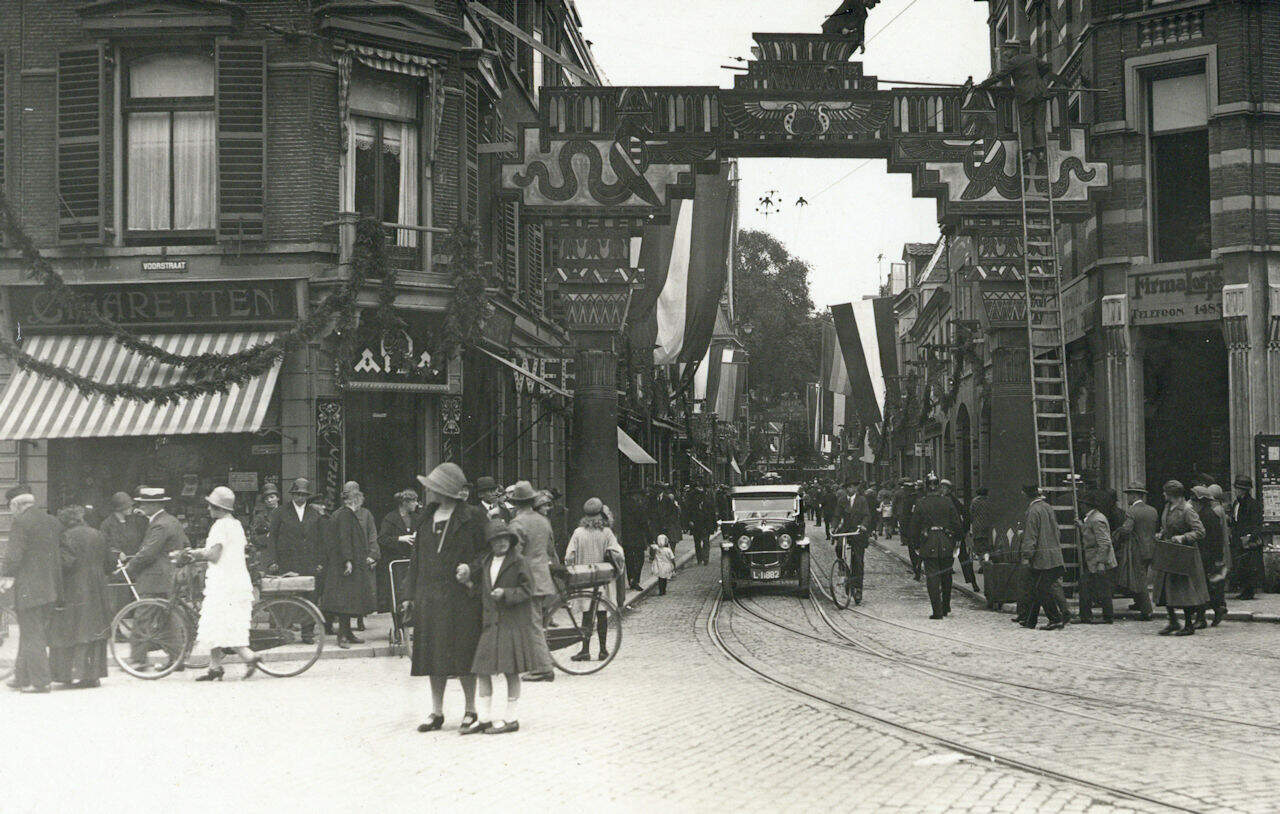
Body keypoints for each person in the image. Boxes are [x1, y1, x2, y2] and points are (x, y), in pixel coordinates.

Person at [402, 463, 488, 733]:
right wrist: (409, 595)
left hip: (461, 597)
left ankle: (470, 709)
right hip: (429, 596)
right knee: (432, 655)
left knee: (463, 653)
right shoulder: (427, 518)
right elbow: (416, 560)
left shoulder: (473, 517)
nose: (430, 492)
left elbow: (487, 552)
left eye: (435, 487)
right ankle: (436, 711)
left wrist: (471, 569)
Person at [456, 519, 549, 735]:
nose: (502, 543)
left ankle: (511, 718)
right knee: (482, 670)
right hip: (491, 624)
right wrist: (469, 585)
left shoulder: (519, 561)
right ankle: (485, 718)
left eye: (505, 538)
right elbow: (483, 590)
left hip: (511, 623)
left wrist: (506, 594)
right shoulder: (488, 561)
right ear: (490, 542)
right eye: (497, 539)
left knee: (511, 671)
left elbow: (528, 590)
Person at [184, 487, 260, 681]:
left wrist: (195, 554)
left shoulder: (219, 526)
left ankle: (249, 657)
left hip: (224, 583)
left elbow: (214, 555)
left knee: (221, 622)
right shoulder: (235, 524)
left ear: (218, 508)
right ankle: (215, 666)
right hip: (236, 580)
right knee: (217, 622)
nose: (208, 509)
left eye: (211, 506)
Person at [0, 486, 63, 693]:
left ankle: (41, 682)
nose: (11, 512)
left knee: (32, 634)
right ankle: (21, 676)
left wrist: (5, 576)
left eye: (10, 507)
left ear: (16, 505)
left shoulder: (21, 522)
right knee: (31, 632)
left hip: (30, 588)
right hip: (51, 587)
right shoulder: (52, 521)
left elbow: (13, 555)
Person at [47, 505, 112, 689]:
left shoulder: (66, 536)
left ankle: (70, 674)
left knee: (71, 630)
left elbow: (65, 563)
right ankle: (92, 675)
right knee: (93, 631)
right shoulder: (98, 534)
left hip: (74, 588)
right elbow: (110, 563)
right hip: (97, 589)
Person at [125, 487, 186, 670]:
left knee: (143, 617)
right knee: (166, 618)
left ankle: (138, 660)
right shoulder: (171, 521)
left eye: (144, 503)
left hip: (155, 579)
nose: (141, 506)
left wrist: (130, 567)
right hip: (168, 577)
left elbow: (148, 553)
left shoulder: (160, 524)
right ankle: (177, 658)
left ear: (154, 505)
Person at [505, 481, 557, 683]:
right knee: (534, 622)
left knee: (531, 624)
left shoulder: (517, 523)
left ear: (516, 502)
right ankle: (536, 662)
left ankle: (543, 668)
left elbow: (514, 554)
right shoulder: (543, 521)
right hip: (542, 576)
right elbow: (550, 548)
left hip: (526, 579)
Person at [564, 497, 625, 661]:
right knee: (602, 614)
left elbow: (569, 556)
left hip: (584, 578)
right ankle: (603, 650)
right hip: (602, 578)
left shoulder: (578, 532)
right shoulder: (606, 533)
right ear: (600, 514)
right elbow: (618, 554)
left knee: (587, 614)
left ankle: (585, 650)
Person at [267, 478, 324, 644]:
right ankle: (285, 632)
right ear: (292, 494)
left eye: (303, 495)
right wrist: (272, 561)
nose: (300, 497)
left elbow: (322, 540)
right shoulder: (280, 512)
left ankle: (308, 633)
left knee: (310, 597)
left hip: (309, 562)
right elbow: (272, 539)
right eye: (297, 494)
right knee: (288, 596)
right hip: (287, 562)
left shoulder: (315, 514)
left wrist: (320, 561)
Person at [321, 482, 378, 648]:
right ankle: (342, 637)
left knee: (348, 601)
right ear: (354, 500)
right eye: (359, 500)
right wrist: (348, 561)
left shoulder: (343, 514)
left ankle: (347, 633)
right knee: (345, 602)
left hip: (346, 564)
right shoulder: (346, 515)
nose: (360, 504)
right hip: (345, 566)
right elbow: (344, 539)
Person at [1153, 480, 1208, 636]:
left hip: (1184, 555)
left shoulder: (1187, 510)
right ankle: (1173, 621)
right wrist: (1161, 533)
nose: (1163, 494)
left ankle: (1189, 625)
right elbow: (1166, 526)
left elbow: (1200, 531)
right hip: (1169, 552)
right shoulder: (1167, 507)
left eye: (1166, 492)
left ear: (1172, 494)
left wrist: (1183, 537)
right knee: (1165, 588)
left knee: (1185, 592)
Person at [1020, 484, 1069, 631]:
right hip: (1053, 554)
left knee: (1041, 589)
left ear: (1025, 494)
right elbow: (1057, 531)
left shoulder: (1032, 511)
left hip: (1042, 558)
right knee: (1037, 588)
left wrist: (1026, 555)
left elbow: (1031, 535)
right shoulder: (1047, 507)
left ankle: (1055, 619)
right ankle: (1030, 620)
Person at [911, 479, 962, 619]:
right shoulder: (947, 501)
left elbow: (915, 526)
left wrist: (915, 544)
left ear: (927, 488)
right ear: (938, 487)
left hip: (928, 542)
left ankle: (937, 611)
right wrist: (958, 539)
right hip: (946, 542)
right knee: (946, 576)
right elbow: (956, 523)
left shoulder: (921, 503)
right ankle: (946, 606)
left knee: (932, 577)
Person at [378, 489, 420, 644]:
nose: (416, 504)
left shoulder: (418, 518)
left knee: (414, 595)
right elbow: (382, 539)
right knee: (397, 596)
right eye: (414, 501)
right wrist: (400, 539)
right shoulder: (391, 518)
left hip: (412, 562)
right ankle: (398, 627)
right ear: (405, 503)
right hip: (396, 564)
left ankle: (413, 627)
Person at [1191, 486, 1231, 629]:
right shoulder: (1209, 514)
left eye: (1194, 500)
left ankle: (1201, 618)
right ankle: (1217, 608)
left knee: (1201, 587)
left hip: (1205, 556)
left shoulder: (1205, 516)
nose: (1192, 503)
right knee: (1208, 587)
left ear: (1200, 501)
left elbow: (1212, 539)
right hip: (1209, 556)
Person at [1116, 484, 1157, 620]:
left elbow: (1127, 529)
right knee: (1142, 575)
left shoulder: (1132, 511)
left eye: (1129, 495)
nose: (1127, 497)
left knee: (1139, 579)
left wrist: (1117, 533)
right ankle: (1138, 603)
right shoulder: (1153, 510)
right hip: (1151, 548)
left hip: (1137, 549)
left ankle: (1147, 610)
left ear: (1134, 495)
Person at [1077, 490, 1117, 625]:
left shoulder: (1097, 519)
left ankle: (1105, 616)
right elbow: (1092, 535)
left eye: (1082, 504)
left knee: (1100, 588)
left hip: (1098, 560)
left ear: (1087, 506)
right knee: (1090, 587)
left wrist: (1100, 562)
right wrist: (1082, 527)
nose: (1081, 507)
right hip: (1093, 560)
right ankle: (1088, 616)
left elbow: (1104, 542)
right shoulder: (1093, 518)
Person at [941, 479, 979, 592]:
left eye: (944, 488)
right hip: (956, 535)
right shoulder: (953, 500)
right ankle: (973, 583)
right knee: (963, 559)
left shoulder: (950, 501)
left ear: (949, 489)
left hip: (952, 536)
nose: (942, 490)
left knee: (954, 559)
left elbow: (965, 515)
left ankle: (972, 582)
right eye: (941, 487)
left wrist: (964, 530)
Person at [1231, 476, 1264, 600]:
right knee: (1240, 565)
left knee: (1249, 565)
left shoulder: (1253, 504)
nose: (1235, 491)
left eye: (1237, 489)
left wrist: (1250, 537)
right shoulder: (1236, 503)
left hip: (1248, 539)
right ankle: (1244, 589)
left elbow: (1257, 523)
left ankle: (1249, 590)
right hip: (1237, 539)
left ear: (1243, 490)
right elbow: (1235, 520)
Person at [620, 488, 651, 592]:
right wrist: (650, 538)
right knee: (640, 559)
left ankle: (631, 579)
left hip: (627, 538)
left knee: (629, 560)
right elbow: (644, 523)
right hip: (637, 538)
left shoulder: (623, 507)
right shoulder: (639, 507)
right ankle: (636, 580)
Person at [248, 482, 280, 572]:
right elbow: (253, 537)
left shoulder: (285, 514)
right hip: (265, 556)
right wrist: (266, 537)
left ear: (278, 498)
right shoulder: (259, 517)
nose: (269, 500)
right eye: (266, 498)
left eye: (272, 497)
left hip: (283, 556)